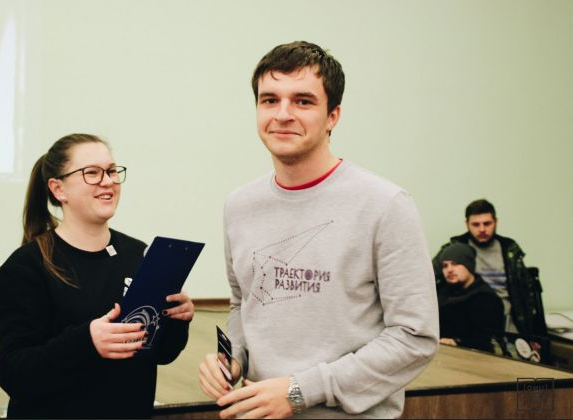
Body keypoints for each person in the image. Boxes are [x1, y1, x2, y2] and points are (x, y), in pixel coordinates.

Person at [198, 41, 439, 418]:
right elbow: (243, 303)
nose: (283, 114)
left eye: (303, 101)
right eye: (269, 100)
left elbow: (414, 338)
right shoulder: (239, 205)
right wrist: (234, 358)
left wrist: (299, 391)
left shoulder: (386, 204)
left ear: (333, 116)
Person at [0, 133, 194, 419]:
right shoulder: (25, 267)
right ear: (58, 189)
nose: (107, 181)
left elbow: (163, 354)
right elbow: (14, 373)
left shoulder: (139, 255)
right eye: (92, 173)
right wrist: (86, 342)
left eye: (111, 171)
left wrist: (176, 319)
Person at [432, 199, 542, 335]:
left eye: (487, 223)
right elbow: (429, 280)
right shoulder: (455, 249)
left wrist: (533, 333)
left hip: (507, 320)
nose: (482, 229)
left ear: (496, 222)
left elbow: (525, 295)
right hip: (466, 317)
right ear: (467, 224)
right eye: (476, 224)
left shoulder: (509, 250)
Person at [437, 243, 505, 352]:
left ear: (468, 265)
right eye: (445, 266)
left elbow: (488, 341)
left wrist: (457, 342)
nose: (449, 270)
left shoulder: (486, 299)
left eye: (455, 264)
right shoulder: (441, 295)